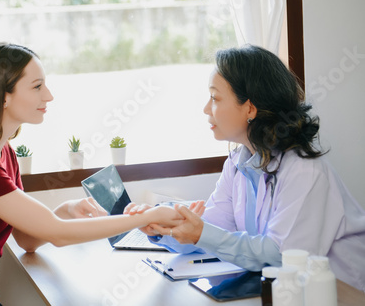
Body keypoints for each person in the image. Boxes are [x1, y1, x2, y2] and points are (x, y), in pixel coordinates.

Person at [0, 42, 184, 306]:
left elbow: (27, 240)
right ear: (3, 96)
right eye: (37, 86)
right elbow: (58, 235)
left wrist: (65, 209)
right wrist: (146, 217)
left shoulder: (5, 154)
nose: (48, 95)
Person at [126, 44, 365, 292]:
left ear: (250, 108)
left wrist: (201, 232)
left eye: (215, 98)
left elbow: (281, 257)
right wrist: (160, 228)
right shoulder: (238, 164)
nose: (206, 109)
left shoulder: (304, 170)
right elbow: (210, 229)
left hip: (344, 293)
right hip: (287, 290)